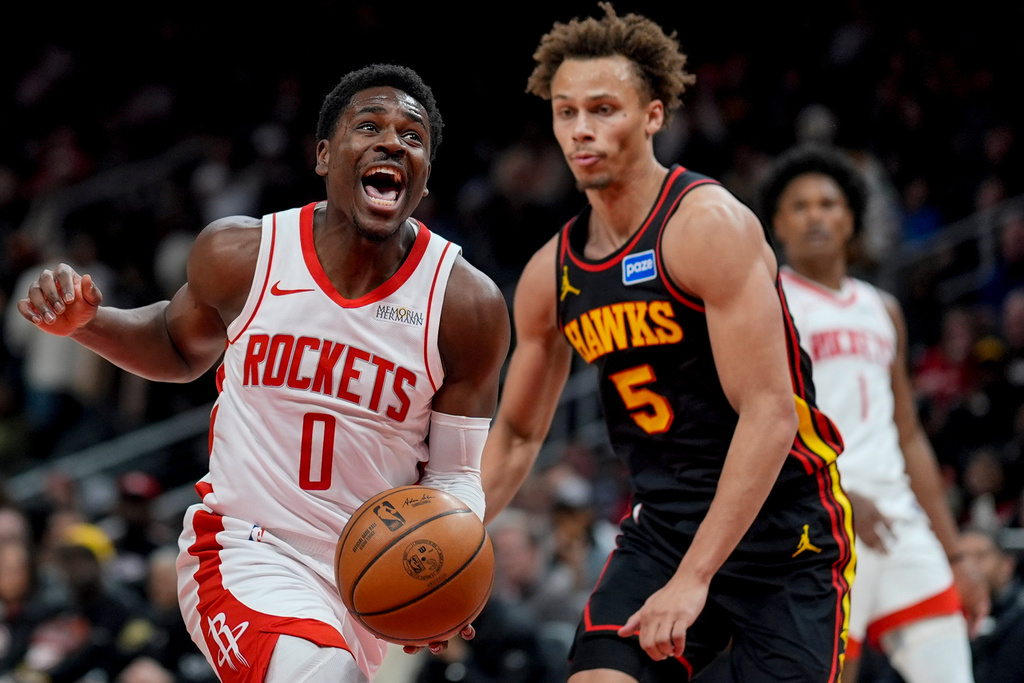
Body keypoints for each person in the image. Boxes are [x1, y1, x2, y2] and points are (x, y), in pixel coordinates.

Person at [16, 63, 511, 683]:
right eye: (369, 126)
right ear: (325, 156)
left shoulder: (466, 306)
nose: (393, 142)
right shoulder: (244, 254)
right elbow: (175, 344)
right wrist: (89, 324)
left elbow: (455, 475)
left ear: (426, 176)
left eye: (413, 138)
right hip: (243, 550)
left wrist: (449, 568)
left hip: (364, 580)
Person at [480, 5, 855, 682]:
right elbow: (513, 434)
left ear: (654, 115)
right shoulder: (549, 275)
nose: (581, 129)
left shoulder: (707, 227)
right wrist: (452, 543)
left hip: (782, 527)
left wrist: (695, 577)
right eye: (566, 112)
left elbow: (770, 415)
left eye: (603, 108)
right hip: (664, 526)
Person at [761, 142, 990, 683]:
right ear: (778, 224)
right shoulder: (769, 305)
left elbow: (908, 434)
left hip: (901, 521)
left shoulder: (882, 308)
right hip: (820, 521)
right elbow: (760, 423)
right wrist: (835, 495)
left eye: (828, 204)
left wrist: (955, 555)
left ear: (851, 220)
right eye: (800, 206)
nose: (815, 215)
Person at [960, 527, 1024, 683]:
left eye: (980, 556)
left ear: (1007, 565)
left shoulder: (1019, 622)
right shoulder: (946, 620)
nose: (969, 566)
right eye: (962, 558)